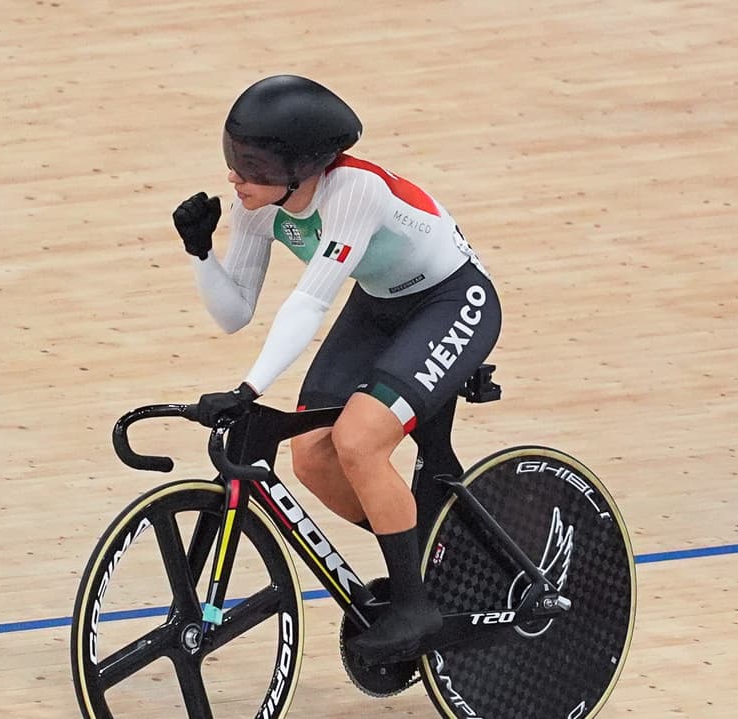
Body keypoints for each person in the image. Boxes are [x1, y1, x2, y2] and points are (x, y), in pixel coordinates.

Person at [171, 75, 502, 664]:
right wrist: (202, 254)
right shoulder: (259, 205)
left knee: (358, 441)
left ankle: (415, 605)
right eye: (233, 158)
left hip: (451, 301)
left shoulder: (355, 191)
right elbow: (235, 313)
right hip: (380, 304)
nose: (235, 176)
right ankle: (426, 561)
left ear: (302, 167)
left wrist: (250, 388)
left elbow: (309, 302)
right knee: (312, 456)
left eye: (253, 164)